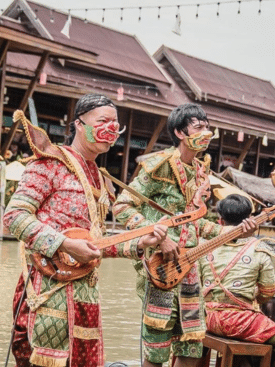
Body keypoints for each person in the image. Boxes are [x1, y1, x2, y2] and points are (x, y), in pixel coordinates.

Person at [3, 93, 168, 367]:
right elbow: (14, 216)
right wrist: (64, 245)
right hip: (48, 287)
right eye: (102, 121)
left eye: (115, 124)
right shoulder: (51, 162)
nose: (110, 129)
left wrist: (140, 242)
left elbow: (95, 243)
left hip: (86, 291)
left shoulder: (100, 179)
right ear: (79, 124)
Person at [113, 103, 257, 367]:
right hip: (161, 267)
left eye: (207, 127)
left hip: (190, 267)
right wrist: (158, 236)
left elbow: (198, 225)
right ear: (180, 132)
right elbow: (122, 205)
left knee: (191, 344)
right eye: (199, 127)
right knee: (156, 344)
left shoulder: (201, 171)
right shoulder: (159, 165)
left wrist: (234, 231)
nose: (207, 132)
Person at [199, 194, 275, 365]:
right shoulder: (260, 249)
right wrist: (253, 297)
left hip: (205, 318)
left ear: (220, 220)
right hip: (240, 323)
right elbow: (268, 292)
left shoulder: (203, 247)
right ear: (249, 219)